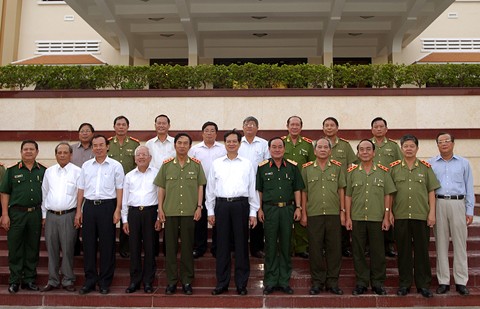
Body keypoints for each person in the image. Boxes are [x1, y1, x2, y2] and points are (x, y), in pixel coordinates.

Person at [207, 129, 259, 296]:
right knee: (222, 246)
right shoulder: (217, 163)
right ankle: (222, 283)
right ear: (224, 143)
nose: (231, 144)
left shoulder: (246, 163)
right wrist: (210, 211)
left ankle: (241, 284)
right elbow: (210, 190)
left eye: (234, 141)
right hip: (221, 206)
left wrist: (253, 213)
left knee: (242, 245)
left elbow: (252, 189)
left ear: (239, 143)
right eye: (228, 141)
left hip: (240, 206)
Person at [154, 133, 206, 295]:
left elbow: (200, 187)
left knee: (187, 247)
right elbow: (161, 188)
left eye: (185, 143)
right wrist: (160, 209)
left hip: (189, 212)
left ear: (190, 146)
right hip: (170, 211)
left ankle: (187, 281)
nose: (182, 146)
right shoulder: (167, 165)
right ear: (175, 145)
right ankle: (171, 281)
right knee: (170, 248)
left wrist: (199, 207)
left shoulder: (196, 165)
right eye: (179, 143)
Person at [389, 134, 440, 298]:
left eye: (412, 146)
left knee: (422, 251)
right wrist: (389, 212)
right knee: (403, 251)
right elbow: (389, 193)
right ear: (401, 149)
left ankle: (423, 285)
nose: (409, 149)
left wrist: (432, 212)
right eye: (406, 146)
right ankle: (404, 284)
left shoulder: (425, 167)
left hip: (421, 215)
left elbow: (431, 191)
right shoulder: (394, 168)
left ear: (417, 148)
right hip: (401, 215)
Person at [74, 135, 124, 295]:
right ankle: (90, 280)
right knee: (88, 245)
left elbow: (120, 189)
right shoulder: (86, 166)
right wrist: (78, 210)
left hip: (107, 207)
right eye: (95, 145)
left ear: (107, 146)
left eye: (101, 145)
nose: (98, 148)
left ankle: (104, 281)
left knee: (107, 245)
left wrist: (118, 209)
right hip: (89, 207)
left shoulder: (116, 166)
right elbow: (81, 189)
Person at [345, 139, 396, 296]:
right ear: (358, 153)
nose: (365, 152)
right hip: (357, 217)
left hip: (376, 218)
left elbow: (388, 194)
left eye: (368, 149)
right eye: (362, 149)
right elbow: (348, 196)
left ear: (374, 153)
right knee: (358, 251)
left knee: (378, 252)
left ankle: (378, 283)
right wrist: (347, 217)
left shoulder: (383, 171)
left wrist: (387, 216)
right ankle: (361, 282)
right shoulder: (352, 173)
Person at [428, 132, 474, 296]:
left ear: (453, 143)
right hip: (439, 203)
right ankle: (444, 281)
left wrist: (470, 210)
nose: (444, 144)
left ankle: (461, 281)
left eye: (447, 141)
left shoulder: (464, 163)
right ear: (437, 145)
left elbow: (469, 187)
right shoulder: (431, 163)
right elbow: (429, 189)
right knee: (441, 243)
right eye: (441, 142)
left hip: (458, 204)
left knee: (460, 244)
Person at [257, 137, 304, 295]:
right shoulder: (262, 168)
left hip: (287, 210)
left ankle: (284, 281)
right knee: (270, 246)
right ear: (269, 149)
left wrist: (298, 207)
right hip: (269, 210)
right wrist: (259, 209)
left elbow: (297, 189)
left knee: (285, 245)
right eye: (274, 147)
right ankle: (270, 281)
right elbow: (259, 191)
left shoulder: (292, 167)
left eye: (280, 147)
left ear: (284, 149)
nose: (277, 149)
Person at [300, 138, 346, 295]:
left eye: (326, 147)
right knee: (315, 249)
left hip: (333, 213)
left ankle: (333, 282)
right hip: (314, 214)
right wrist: (304, 213)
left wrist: (343, 212)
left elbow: (341, 190)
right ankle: (317, 282)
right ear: (314, 151)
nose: (322, 149)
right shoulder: (306, 169)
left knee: (334, 249)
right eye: (319, 147)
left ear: (330, 150)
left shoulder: (337, 168)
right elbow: (304, 193)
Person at [0, 140, 46, 294]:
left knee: (33, 247)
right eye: (25, 149)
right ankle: (14, 281)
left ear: (37, 152)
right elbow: (5, 192)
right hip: (16, 214)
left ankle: (29, 280)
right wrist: (5, 214)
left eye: (31, 149)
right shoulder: (12, 170)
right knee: (15, 247)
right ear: (21, 152)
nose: (28, 151)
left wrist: (44, 215)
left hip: (35, 213)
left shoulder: (43, 171)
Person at [41, 142, 81, 293]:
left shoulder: (77, 171)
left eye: (66, 152)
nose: (62, 155)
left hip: (68, 216)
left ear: (71, 155)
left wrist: (79, 213)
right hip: (51, 216)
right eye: (59, 153)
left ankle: (68, 279)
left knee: (68, 249)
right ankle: (53, 280)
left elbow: (80, 196)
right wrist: (44, 215)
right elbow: (44, 193)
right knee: (51, 249)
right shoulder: (49, 172)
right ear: (55, 155)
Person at [121, 146, 159, 294]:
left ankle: (148, 281)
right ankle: (134, 281)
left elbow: (160, 196)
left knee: (150, 248)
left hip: (150, 212)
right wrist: (125, 220)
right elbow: (124, 199)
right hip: (134, 214)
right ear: (135, 158)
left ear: (150, 158)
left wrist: (158, 217)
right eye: (138, 155)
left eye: (144, 155)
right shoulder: (129, 176)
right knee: (134, 248)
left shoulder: (156, 174)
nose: (141, 157)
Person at [188, 121, 226, 259]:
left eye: (212, 130)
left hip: (219, 187)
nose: (209, 133)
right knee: (200, 218)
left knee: (218, 217)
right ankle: (200, 247)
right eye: (207, 130)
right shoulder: (195, 150)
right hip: (200, 187)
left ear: (216, 133)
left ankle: (217, 247)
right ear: (202, 133)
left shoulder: (222, 149)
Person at [323, 116, 357, 258]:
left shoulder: (345, 145)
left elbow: (351, 165)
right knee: (325, 219)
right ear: (323, 128)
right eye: (327, 125)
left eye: (332, 125)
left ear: (337, 128)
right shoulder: (319, 144)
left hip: (342, 187)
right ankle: (325, 246)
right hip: (324, 187)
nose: (329, 127)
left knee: (343, 215)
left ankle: (344, 246)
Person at [282, 116, 315, 259]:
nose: (294, 127)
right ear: (287, 126)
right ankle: (287, 246)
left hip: (302, 187)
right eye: (292, 124)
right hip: (285, 186)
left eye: (297, 125)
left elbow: (313, 164)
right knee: (287, 218)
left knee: (302, 216)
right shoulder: (281, 143)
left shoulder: (308, 145)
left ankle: (302, 247)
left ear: (301, 127)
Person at [108, 115, 140, 259]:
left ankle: (125, 247)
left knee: (126, 218)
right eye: (118, 124)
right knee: (110, 217)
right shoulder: (108, 143)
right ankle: (109, 246)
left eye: (123, 125)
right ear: (114, 127)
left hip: (128, 188)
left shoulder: (134, 144)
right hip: (110, 188)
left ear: (128, 127)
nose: (121, 127)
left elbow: (137, 164)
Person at [371, 117, 402, 258]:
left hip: (388, 185)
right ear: (372, 129)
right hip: (370, 185)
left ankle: (389, 244)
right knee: (372, 213)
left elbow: (400, 165)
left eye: (381, 126)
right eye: (376, 126)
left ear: (386, 129)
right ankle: (369, 245)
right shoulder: (367, 144)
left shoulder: (393, 146)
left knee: (388, 213)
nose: (378, 129)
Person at [239, 116, 270, 259]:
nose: (249, 126)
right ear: (243, 127)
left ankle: (257, 248)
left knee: (258, 215)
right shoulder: (238, 143)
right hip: (240, 185)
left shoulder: (263, 144)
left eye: (252, 124)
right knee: (241, 216)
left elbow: (267, 163)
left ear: (257, 128)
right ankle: (239, 247)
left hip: (258, 185)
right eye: (247, 124)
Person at [70, 122, 95, 256]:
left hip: (92, 190)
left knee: (89, 221)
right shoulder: (71, 149)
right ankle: (75, 247)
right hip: (75, 189)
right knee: (76, 217)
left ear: (92, 134)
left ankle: (88, 246)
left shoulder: (96, 148)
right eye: (82, 131)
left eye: (87, 131)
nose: (84, 133)